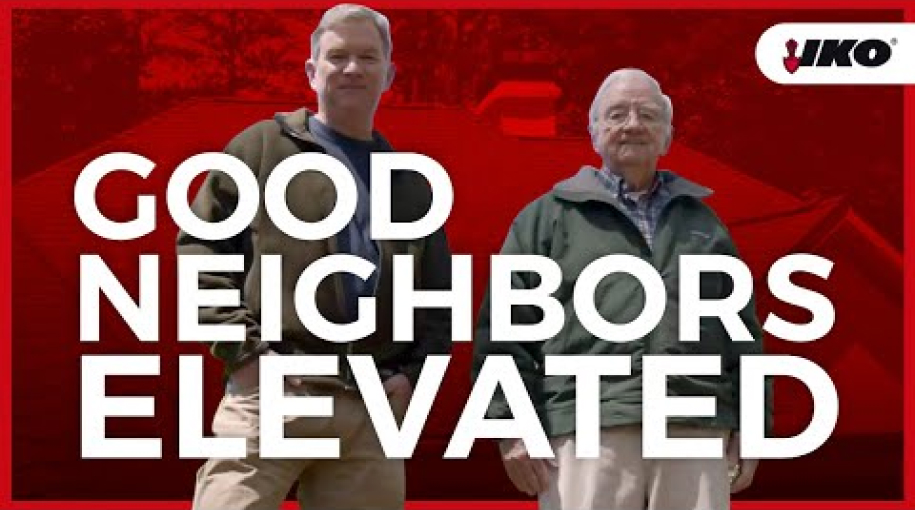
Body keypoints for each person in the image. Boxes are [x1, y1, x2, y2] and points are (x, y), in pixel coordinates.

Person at [180, 4, 452, 509]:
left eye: (368, 57)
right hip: (275, 390)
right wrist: (243, 353)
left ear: (389, 75)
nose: (353, 68)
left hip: (372, 410)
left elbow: (436, 299)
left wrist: (412, 378)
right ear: (311, 71)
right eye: (338, 56)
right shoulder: (260, 148)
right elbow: (199, 251)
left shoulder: (413, 185)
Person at [472, 68, 771, 510]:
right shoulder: (543, 221)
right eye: (617, 114)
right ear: (594, 133)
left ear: (667, 137)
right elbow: (505, 331)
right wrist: (512, 427)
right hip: (586, 427)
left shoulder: (706, 227)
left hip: (694, 426)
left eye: (648, 115)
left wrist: (752, 422)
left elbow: (742, 334)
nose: (633, 124)